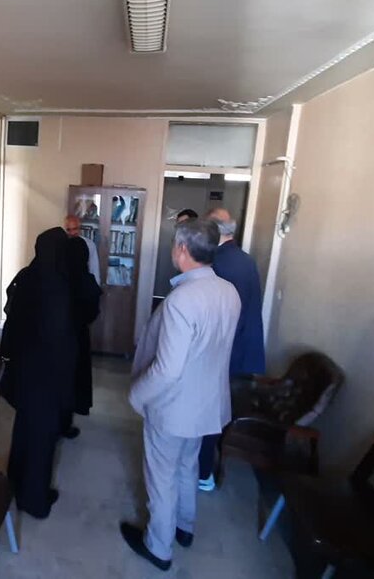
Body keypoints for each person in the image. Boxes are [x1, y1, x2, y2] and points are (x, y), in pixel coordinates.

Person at [121, 219, 240, 571]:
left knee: (162, 477)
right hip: (207, 403)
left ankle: (159, 547)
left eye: (175, 244)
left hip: (174, 406)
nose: (173, 250)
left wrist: (137, 395)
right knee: (188, 465)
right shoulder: (229, 292)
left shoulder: (182, 299)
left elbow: (167, 369)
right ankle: (184, 527)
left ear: (183, 250)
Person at [0, 228, 78, 519]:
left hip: (22, 372)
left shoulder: (26, 277)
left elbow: (11, 319)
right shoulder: (59, 286)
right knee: (42, 439)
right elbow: (63, 342)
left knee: (23, 430)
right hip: (46, 377)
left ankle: (13, 484)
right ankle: (34, 500)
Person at [198, 208, 266, 491]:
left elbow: (219, 317)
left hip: (225, 351)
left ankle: (203, 473)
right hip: (242, 351)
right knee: (219, 410)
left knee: (209, 412)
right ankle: (207, 467)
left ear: (215, 230)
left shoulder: (220, 264)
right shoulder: (244, 260)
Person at [60, 236, 103, 439]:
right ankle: (65, 423)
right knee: (72, 380)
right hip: (77, 339)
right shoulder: (87, 281)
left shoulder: (56, 276)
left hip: (54, 338)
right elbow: (92, 313)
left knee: (57, 381)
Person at [64, 214, 101, 284]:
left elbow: (94, 269)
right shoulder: (62, 244)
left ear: (79, 228)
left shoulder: (89, 244)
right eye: (68, 230)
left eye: (75, 229)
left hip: (83, 283)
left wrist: (96, 287)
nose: (72, 233)